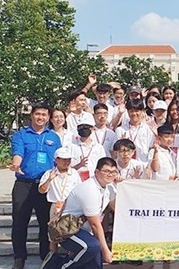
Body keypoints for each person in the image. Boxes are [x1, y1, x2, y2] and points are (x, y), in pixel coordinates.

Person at [9, 103, 62, 269]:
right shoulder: (21, 135)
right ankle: (19, 257)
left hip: (45, 185)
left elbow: (59, 159)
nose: (40, 117)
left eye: (44, 115)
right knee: (19, 222)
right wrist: (16, 164)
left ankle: (45, 255)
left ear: (48, 118)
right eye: (37, 114)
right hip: (24, 184)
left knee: (45, 222)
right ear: (32, 115)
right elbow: (18, 153)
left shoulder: (54, 137)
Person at [40, 158, 118, 269]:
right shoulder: (90, 189)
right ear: (97, 172)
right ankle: (57, 266)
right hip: (67, 230)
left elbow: (115, 207)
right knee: (92, 247)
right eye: (106, 171)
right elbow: (95, 225)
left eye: (113, 172)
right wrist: (106, 251)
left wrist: (119, 185)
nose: (110, 175)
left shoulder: (109, 188)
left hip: (84, 232)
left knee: (96, 265)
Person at [38, 147, 81, 253]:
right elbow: (41, 190)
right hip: (56, 206)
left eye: (68, 159)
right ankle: (53, 259)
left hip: (71, 206)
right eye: (63, 159)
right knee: (53, 236)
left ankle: (72, 258)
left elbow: (80, 189)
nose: (67, 162)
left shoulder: (74, 173)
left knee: (72, 232)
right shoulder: (49, 173)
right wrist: (50, 179)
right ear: (56, 160)